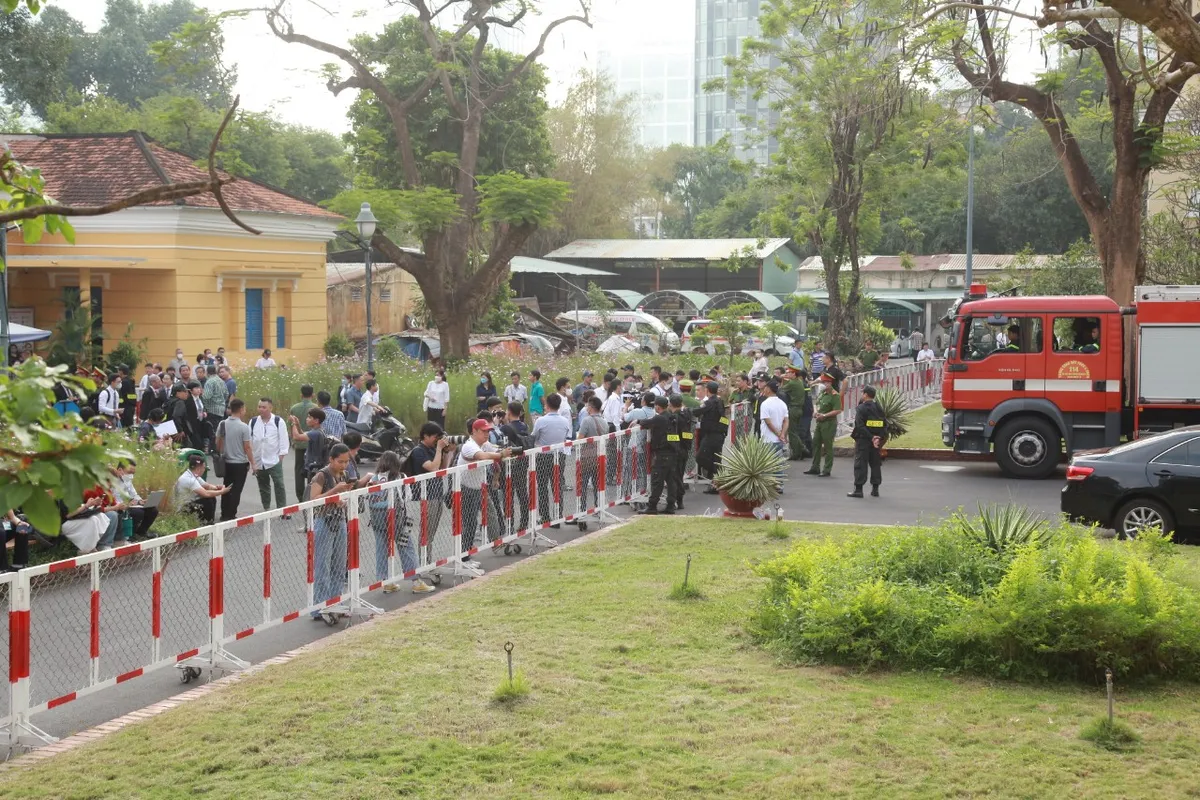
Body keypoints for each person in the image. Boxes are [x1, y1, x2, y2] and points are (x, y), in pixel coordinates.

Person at [456, 419, 511, 566]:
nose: (487, 434)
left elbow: (494, 450)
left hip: (479, 487)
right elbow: (482, 456)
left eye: (488, 431)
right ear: (474, 431)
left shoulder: (484, 444)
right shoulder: (469, 446)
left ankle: (495, 542)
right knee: (470, 523)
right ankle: (463, 558)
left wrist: (504, 451)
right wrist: (501, 455)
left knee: (492, 512)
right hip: (465, 488)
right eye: (483, 431)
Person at [309, 443, 355, 615]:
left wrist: (342, 496)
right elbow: (313, 500)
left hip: (339, 520)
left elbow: (338, 499)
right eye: (340, 462)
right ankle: (319, 607)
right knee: (323, 567)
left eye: (346, 462)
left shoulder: (343, 475)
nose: (344, 466)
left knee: (338, 565)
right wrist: (335, 491)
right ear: (331, 459)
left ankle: (335, 602)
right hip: (323, 521)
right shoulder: (321, 475)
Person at [407, 422, 455, 571]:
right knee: (426, 532)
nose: (437, 440)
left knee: (431, 532)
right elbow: (432, 468)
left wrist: (447, 452)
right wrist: (439, 449)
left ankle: (427, 561)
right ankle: (423, 563)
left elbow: (442, 469)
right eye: (435, 437)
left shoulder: (434, 449)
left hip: (436, 494)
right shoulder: (418, 451)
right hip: (425, 496)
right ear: (425, 436)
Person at [531, 393, 571, 527]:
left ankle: (545, 516)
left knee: (542, 486)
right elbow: (566, 436)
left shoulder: (541, 421)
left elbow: (534, 437)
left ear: (546, 405)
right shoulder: (565, 421)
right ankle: (558, 514)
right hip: (559, 455)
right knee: (557, 485)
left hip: (543, 455)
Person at [639, 396, 679, 515]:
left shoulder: (659, 418)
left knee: (657, 481)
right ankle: (671, 505)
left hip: (661, 454)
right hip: (672, 452)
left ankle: (652, 506)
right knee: (671, 481)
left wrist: (637, 421)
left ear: (657, 406)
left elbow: (645, 423)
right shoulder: (672, 416)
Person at [217, 398, 255, 521]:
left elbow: (218, 443)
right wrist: (253, 463)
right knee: (236, 490)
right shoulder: (244, 427)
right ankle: (231, 514)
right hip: (240, 463)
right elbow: (247, 447)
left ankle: (224, 513)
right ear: (241, 409)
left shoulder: (222, 424)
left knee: (226, 488)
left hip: (226, 462)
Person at [249, 397, 289, 511]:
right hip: (258, 460)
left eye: (264, 407)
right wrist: (252, 460)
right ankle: (266, 509)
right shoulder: (253, 421)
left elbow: (284, 440)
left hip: (274, 459)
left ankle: (282, 510)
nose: (261, 409)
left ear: (270, 408)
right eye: (259, 407)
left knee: (279, 485)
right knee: (263, 486)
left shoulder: (278, 421)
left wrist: (280, 457)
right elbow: (250, 440)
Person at [848, 385, 887, 498]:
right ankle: (875, 490)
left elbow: (860, 426)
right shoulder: (879, 408)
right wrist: (877, 437)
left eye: (862, 393)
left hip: (864, 440)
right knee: (875, 464)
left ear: (865, 395)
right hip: (876, 441)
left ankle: (858, 490)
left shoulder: (861, 408)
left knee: (861, 464)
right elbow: (884, 424)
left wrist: (870, 437)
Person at [175, 453, 230, 524]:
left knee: (211, 498)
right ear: (198, 468)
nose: (204, 470)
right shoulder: (189, 479)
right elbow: (206, 493)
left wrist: (217, 487)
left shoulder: (193, 475)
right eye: (204, 468)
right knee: (207, 500)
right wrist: (222, 492)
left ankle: (209, 521)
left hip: (191, 502)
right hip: (184, 508)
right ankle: (206, 523)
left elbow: (207, 486)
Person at [805, 373, 841, 477]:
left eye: (826, 382)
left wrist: (825, 415)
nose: (824, 384)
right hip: (820, 422)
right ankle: (815, 467)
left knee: (828, 447)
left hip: (829, 423)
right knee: (816, 444)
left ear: (830, 383)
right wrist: (815, 412)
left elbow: (837, 410)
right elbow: (817, 403)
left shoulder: (835, 395)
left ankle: (827, 469)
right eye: (823, 382)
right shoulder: (822, 393)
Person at [577, 396, 608, 512]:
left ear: (591, 407)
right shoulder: (604, 422)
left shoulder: (587, 420)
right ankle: (598, 508)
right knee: (597, 485)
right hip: (600, 456)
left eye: (587, 406)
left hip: (587, 457)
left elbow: (580, 438)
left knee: (583, 486)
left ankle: (582, 510)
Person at [696, 381, 727, 492]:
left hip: (711, 435)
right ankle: (716, 484)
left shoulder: (709, 402)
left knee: (700, 457)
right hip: (719, 434)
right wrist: (724, 431)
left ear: (707, 390)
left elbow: (698, 411)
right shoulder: (719, 401)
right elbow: (724, 418)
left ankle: (717, 474)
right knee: (716, 458)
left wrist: (685, 411)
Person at [669, 394, 694, 510]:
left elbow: (673, 436)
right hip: (684, 448)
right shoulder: (687, 414)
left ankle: (676, 500)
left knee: (675, 477)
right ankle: (679, 500)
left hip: (676, 450)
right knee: (679, 475)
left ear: (670, 404)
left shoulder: (674, 417)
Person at [781, 366, 812, 461]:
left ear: (794, 374)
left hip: (793, 409)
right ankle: (798, 452)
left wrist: (782, 379)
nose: (787, 374)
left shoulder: (793, 383)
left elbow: (781, 390)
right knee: (796, 431)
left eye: (789, 372)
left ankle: (801, 449)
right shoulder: (799, 382)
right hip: (799, 409)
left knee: (792, 432)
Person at [758, 380, 789, 469]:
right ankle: (779, 483)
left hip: (768, 440)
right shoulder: (782, 404)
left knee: (768, 469)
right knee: (778, 468)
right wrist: (782, 434)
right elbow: (786, 421)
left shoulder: (765, 404)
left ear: (768, 389)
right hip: (779, 441)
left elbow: (768, 422)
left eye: (765, 388)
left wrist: (778, 434)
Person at [202, 365, 229, 434]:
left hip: (212, 411)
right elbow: (226, 394)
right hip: (221, 410)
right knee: (220, 433)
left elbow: (206, 396)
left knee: (213, 433)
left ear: (207, 372)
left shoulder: (209, 382)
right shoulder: (221, 381)